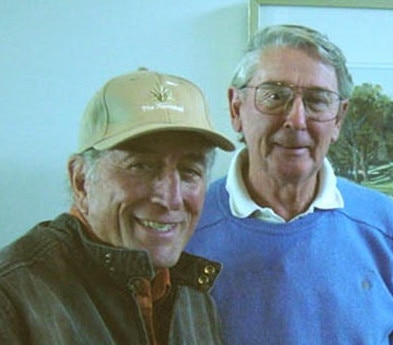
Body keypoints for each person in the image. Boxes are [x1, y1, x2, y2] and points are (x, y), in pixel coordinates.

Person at [185, 25, 393, 344]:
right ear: (236, 108)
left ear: (338, 119)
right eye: (275, 95)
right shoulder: (186, 226)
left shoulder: (383, 225)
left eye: (317, 100)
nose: (296, 119)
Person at [0, 68, 235, 344]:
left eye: (189, 171)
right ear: (81, 181)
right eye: (142, 166)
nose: (170, 198)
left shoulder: (194, 297)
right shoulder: (13, 297)